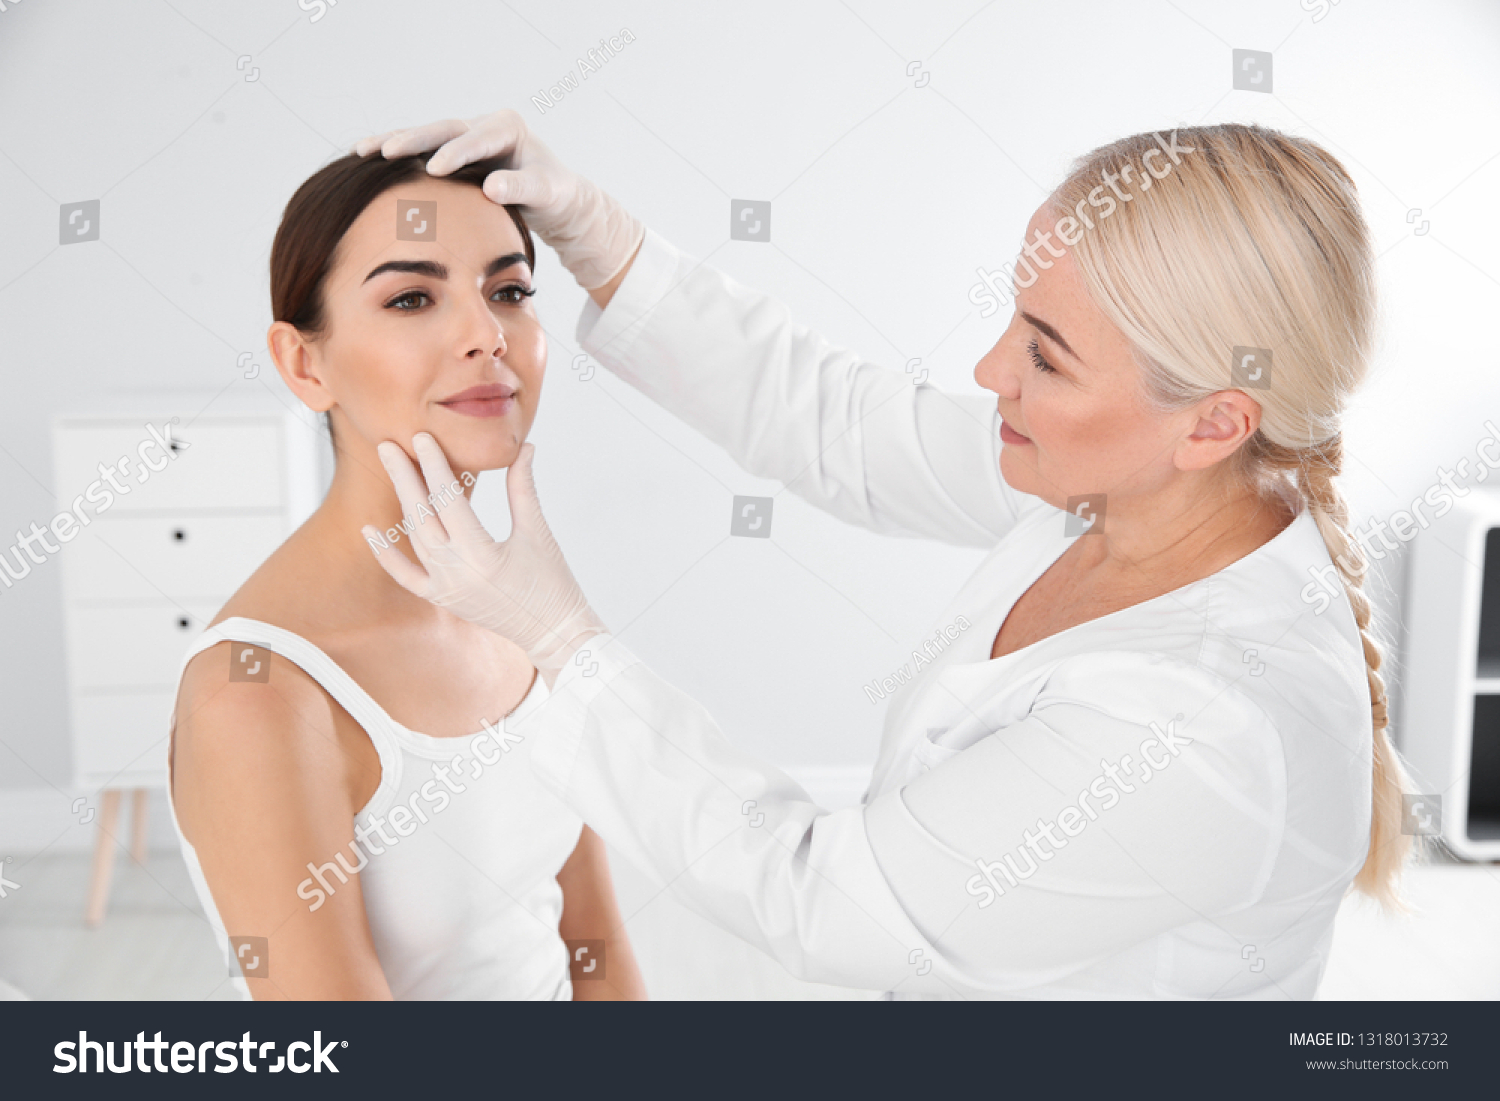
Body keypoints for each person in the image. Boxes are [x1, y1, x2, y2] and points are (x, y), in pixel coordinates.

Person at [356, 112, 1416, 998]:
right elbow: (844, 428)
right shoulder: (1132, 487)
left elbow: (813, 895)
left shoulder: (1203, 733)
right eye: (1018, 314)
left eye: (1046, 355)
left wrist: (559, 641)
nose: (991, 366)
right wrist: (599, 236)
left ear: (1216, 422)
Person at [166, 148, 645, 1001]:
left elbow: (593, 944)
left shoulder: (521, 612)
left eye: (509, 292)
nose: (486, 334)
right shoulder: (258, 693)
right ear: (304, 365)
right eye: (412, 297)